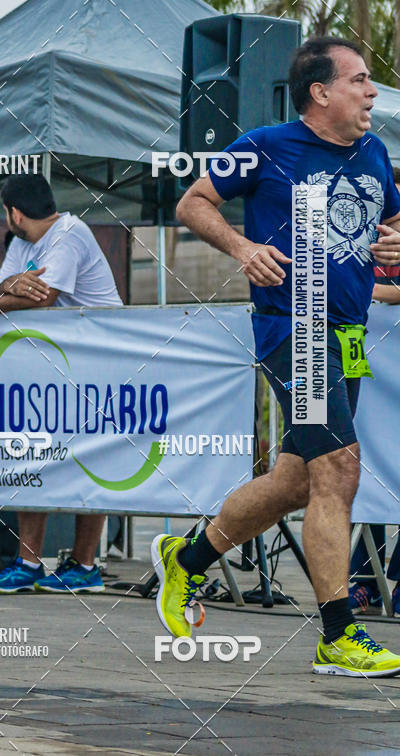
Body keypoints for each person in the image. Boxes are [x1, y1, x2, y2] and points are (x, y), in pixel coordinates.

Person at [154, 37, 400, 677]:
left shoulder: (374, 153)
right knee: (340, 468)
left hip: (347, 332)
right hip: (297, 326)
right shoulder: (268, 145)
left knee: (297, 481)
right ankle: (338, 636)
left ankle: (186, 560)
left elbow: (389, 231)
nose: (372, 92)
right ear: (321, 93)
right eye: (361, 80)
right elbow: (192, 201)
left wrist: (396, 245)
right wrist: (241, 248)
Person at [0, 173, 122, 593]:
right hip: (56, 364)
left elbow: (43, 296)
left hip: (103, 361)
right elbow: (5, 287)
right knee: (33, 451)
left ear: (14, 212)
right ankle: (29, 563)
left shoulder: (71, 232)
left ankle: (84, 566)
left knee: (93, 460)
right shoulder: (22, 244)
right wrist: (1, 291)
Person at [348, 166, 400, 617]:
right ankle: (363, 580)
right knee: (363, 464)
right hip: (368, 367)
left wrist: (369, 292)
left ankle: (395, 581)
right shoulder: (360, 232)